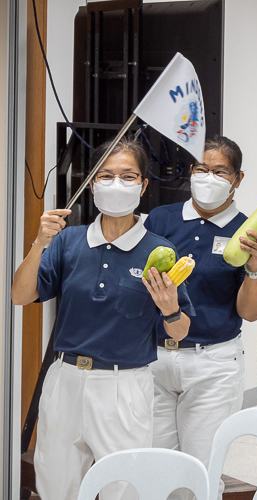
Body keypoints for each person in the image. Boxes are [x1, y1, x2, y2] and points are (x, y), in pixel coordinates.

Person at [11, 138, 194, 500]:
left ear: (143, 186)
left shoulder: (160, 250)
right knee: (55, 485)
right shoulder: (68, 241)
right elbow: (20, 295)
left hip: (123, 386)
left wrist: (170, 307)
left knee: (123, 487)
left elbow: (180, 330)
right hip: (65, 380)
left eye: (128, 176)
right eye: (106, 175)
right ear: (92, 183)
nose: (116, 184)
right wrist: (38, 243)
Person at [143, 136, 257, 497]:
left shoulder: (248, 232)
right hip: (154, 357)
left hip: (212, 362)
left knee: (200, 468)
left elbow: (251, 311)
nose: (208, 177)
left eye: (219, 171)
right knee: (155, 464)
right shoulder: (160, 219)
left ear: (238, 179)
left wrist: (255, 266)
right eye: (201, 169)